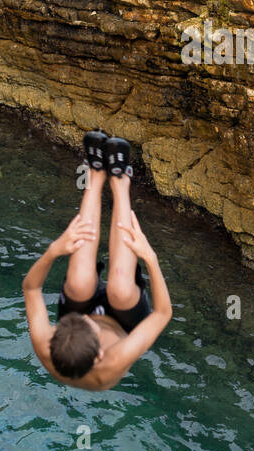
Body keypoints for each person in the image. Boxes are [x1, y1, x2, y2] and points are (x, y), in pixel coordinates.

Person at [24, 132, 172, 394]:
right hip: (125, 318)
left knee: (80, 283)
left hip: (79, 307)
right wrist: (150, 257)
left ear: (55, 337)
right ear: (99, 355)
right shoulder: (115, 361)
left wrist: (55, 250)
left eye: (80, 320)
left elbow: (31, 288)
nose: (91, 317)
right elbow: (162, 313)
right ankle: (120, 181)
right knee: (119, 289)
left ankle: (96, 175)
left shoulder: (46, 345)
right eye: (90, 324)